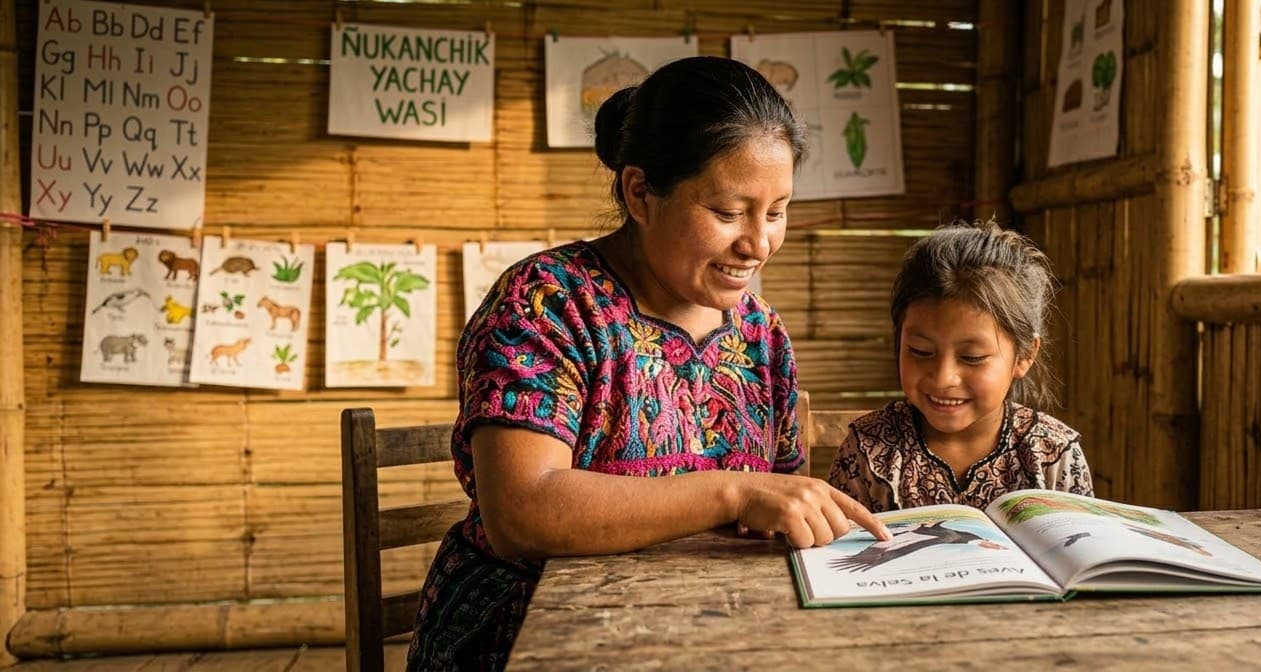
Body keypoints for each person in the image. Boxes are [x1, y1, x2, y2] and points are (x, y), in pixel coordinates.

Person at [408, 56, 889, 671]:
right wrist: (733, 492)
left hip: (715, 630)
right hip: (537, 636)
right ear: (641, 192)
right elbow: (522, 511)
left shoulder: (760, 333)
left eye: (776, 212)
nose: (759, 243)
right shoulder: (549, 303)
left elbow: (779, 499)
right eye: (727, 212)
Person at [826, 220, 1094, 512]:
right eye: (921, 351)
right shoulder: (868, 447)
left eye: (972, 358)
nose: (943, 378)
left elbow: (1078, 551)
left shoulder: (1053, 455)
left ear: (1025, 355)